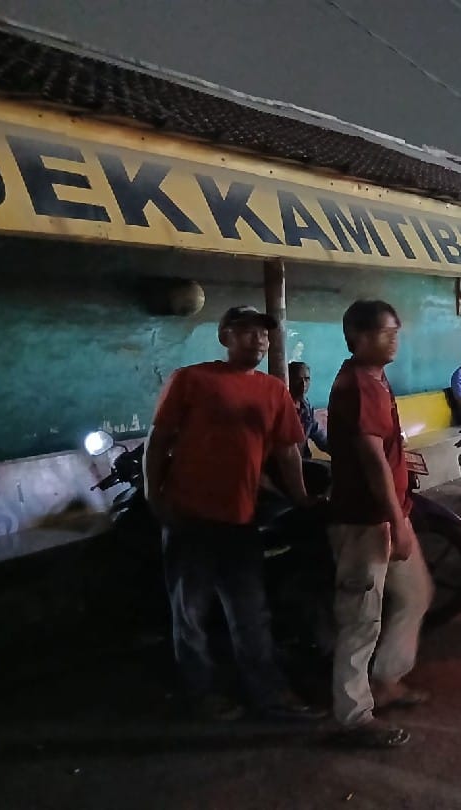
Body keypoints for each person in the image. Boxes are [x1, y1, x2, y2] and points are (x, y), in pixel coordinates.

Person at [144, 305, 325, 721]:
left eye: (263, 333)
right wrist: (155, 496)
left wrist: (301, 497)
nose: (257, 339)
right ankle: (201, 694)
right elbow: (159, 439)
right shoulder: (191, 380)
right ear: (224, 336)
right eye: (246, 331)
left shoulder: (274, 391)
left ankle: (268, 694)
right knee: (189, 613)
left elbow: (287, 451)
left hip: (241, 519)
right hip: (189, 517)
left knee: (250, 613)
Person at [326, 300, 434, 748]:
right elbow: (372, 460)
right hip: (364, 522)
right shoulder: (358, 385)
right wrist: (396, 521)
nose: (394, 340)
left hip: (387, 516)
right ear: (359, 337)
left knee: (415, 594)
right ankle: (354, 716)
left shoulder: (374, 378)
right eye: (386, 333)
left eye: (396, 332)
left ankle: (387, 679)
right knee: (360, 620)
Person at [288, 361, 329, 460]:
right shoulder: (282, 407)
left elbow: (319, 436)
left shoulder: (306, 407)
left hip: (303, 459)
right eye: (298, 379)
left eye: (306, 379)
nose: (303, 384)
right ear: (288, 380)